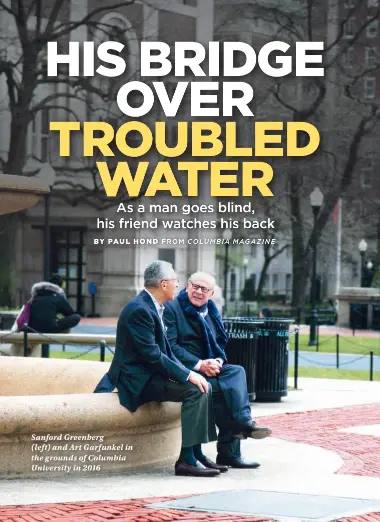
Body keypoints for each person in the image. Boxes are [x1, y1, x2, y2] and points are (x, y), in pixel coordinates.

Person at [94, 261, 222, 477]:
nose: (177, 285)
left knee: (203, 385)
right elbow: (152, 355)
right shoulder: (139, 310)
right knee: (194, 390)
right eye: (175, 281)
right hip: (138, 380)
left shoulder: (153, 306)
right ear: (163, 285)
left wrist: (192, 373)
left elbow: (167, 352)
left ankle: (196, 453)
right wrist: (188, 375)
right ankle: (186, 461)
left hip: (152, 374)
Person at [164, 271, 272, 470]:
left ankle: (243, 423)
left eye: (204, 289)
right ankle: (230, 450)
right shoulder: (172, 308)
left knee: (236, 372)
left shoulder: (211, 310)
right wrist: (199, 364)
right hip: (183, 372)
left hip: (209, 368)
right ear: (187, 286)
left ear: (211, 294)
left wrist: (217, 361)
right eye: (195, 286)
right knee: (224, 392)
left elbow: (220, 341)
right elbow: (170, 347)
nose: (198, 292)